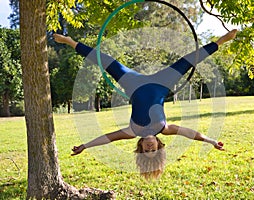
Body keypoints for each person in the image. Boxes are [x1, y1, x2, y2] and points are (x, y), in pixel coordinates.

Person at [54, 29, 237, 180]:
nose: (149, 149)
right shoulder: (165, 128)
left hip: (132, 84)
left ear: (140, 146)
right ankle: (221, 41)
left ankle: (69, 41)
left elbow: (107, 137)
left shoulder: (132, 131)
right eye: (153, 150)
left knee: (104, 60)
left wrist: (85, 146)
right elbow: (192, 134)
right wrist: (211, 141)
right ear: (159, 146)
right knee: (188, 61)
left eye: (146, 150)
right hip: (162, 83)